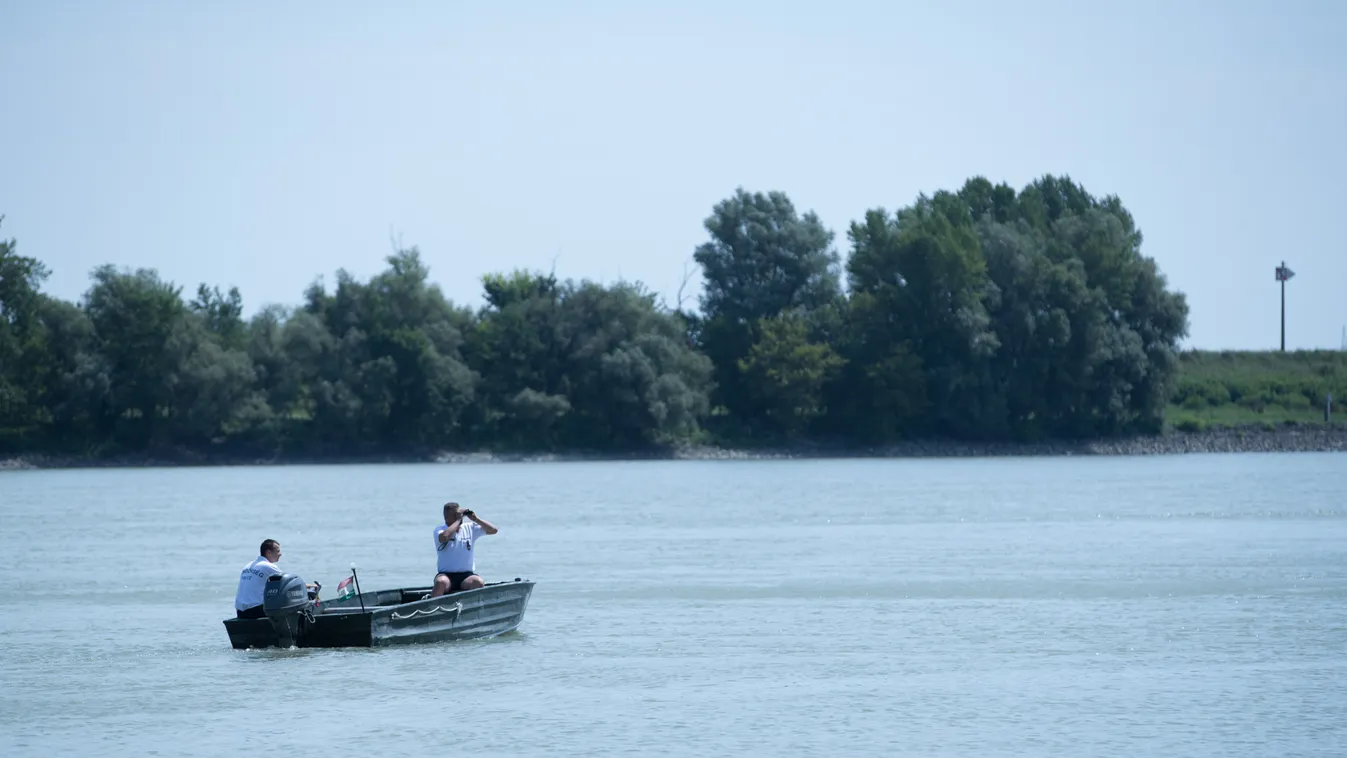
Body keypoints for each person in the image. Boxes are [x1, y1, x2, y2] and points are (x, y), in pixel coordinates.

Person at [432, 502, 499, 597]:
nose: (458, 517)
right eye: (454, 515)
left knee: (478, 582)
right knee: (440, 582)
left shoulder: (469, 528)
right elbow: (444, 537)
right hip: (446, 575)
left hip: (466, 576)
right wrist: (458, 520)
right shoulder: (440, 530)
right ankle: (433, 608)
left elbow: (493, 530)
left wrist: (476, 519)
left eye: (458, 515)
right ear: (446, 517)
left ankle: (469, 607)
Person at [235, 539, 283, 618]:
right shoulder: (268, 566)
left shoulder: (247, 566)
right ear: (269, 553)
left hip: (240, 612)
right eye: (278, 551)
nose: (280, 554)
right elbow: (288, 583)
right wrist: (309, 586)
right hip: (256, 611)